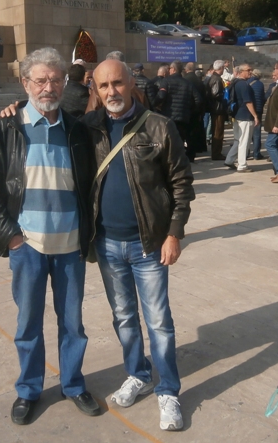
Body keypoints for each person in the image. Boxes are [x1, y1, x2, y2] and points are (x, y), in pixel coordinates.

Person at [0, 47, 99, 425]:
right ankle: (28, 389)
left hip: (70, 245)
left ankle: (73, 385)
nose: (49, 87)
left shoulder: (77, 130)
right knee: (28, 324)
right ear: (25, 83)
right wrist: (10, 234)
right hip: (27, 245)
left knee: (73, 324)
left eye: (56, 80)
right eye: (41, 80)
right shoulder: (7, 127)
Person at [84, 58, 194, 431]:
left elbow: (181, 183)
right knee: (124, 318)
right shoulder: (90, 128)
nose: (111, 91)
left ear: (132, 83)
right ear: (96, 90)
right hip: (107, 245)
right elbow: (48, 117)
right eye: (103, 86)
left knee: (159, 321)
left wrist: (174, 233)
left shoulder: (159, 126)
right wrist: (16, 108)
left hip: (149, 245)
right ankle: (138, 374)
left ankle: (168, 391)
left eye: (117, 83)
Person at [155, 61, 204, 162]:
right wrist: (190, 110)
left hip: (168, 115)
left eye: (170, 68)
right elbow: (198, 100)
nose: (169, 70)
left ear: (173, 69)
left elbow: (161, 97)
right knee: (180, 139)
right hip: (183, 116)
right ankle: (179, 160)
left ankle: (169, 160)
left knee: (167, 139)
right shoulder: (187, 83)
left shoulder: (166, 81)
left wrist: (156, 106)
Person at [224, 65, 259, 172]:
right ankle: (242, 165)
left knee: (238, 140)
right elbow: (248, 101)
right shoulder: (244, 84)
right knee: (244, 141)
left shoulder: (235, 82)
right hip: (245, 116)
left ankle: (229, 160)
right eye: (248, 70)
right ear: (241, 72)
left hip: (237, 115)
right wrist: (255, 116)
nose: (250, 72)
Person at [206, 60, 228, 160]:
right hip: (217, 108)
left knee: (217, 131)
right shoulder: (217, 79)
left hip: (215, 108)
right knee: (218, 132)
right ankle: (216, 153)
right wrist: (224, 93)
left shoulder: (213, 78)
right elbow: (215, 94)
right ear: (221, 68)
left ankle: (216, 152)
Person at [249, 68, 266, 160]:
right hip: (258, 109)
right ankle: (256, 153)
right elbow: (263, 97)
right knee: (256, 133)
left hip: (248, 109)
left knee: (247, 133)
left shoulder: (247, 82)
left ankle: (246, 152)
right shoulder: (260, 84)